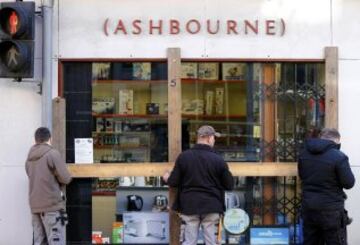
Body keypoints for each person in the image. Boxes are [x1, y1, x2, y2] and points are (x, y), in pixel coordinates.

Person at [163, 125, 234, 245]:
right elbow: (229, 185)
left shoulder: (184, 157)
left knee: (189, 241)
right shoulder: (218, 160)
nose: (214, 140)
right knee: (211, 242)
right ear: (209, 138)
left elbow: (174, 182)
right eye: (214, 138)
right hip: (212, 205)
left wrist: (166, 177)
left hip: (189, 205)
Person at [298, 128, 355, 245]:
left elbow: (302, 176)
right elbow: (349, 183)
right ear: (336, 141)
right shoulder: (339, 157)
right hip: (331, 211)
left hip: (309, 209)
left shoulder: (304, 154)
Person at [25, 127, 72, 245]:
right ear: (50, 139)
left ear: (35, 140)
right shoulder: (52, 154)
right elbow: (66, 178)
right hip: (51, 207)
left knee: (39, 241)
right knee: (56, 241)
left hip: (35, 207)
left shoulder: (29, 158)